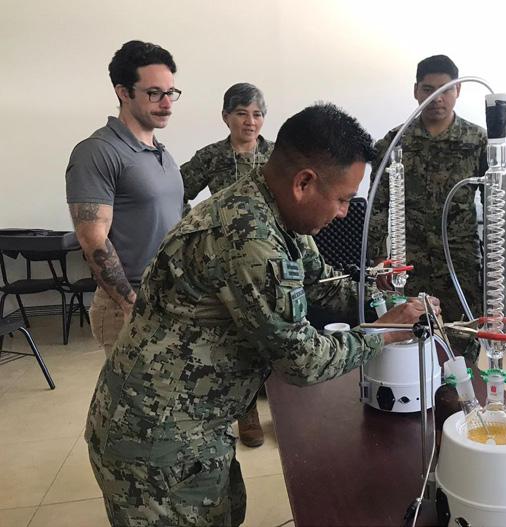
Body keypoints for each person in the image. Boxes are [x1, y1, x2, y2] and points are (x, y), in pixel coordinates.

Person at [85, 103, 439, 527]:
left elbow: (320, 282)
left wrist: (384, 297)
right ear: (304, 182)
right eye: (343, 199)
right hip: (156, 439)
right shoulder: (249, 237)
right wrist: (384, 331)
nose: (345, 212)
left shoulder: (274, 208)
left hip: (196, 425)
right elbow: (302, 360)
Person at [65, 40, 184, 358]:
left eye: (170, 92)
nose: (167, 103)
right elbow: (93, 238)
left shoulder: (162, 153)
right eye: (154, 93)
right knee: (134, 392)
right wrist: (131, 304)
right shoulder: (98, 151)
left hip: (170, 299)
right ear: (123, 92)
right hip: (129, 304)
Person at [368, 54, 487, 359]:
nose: (437, 98)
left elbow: (494, 205)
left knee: (461, 340)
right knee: (412, 340)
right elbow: (377, 205)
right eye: (428, 89)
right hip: (410, 263)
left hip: (459, 263)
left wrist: (494, 267)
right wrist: (379, 259)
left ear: (458, 90)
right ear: (416, 91)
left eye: (445, 90)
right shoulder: (395, 142)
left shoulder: (477, 141)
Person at [180, 83, 274, 448]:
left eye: (257, 114)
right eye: (241, 113)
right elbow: (175, 191)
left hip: (269, 259)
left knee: (272, 332)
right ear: (226, 117)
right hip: (225, 264)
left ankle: (280, 408)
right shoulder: (211, 157)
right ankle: (246, 414)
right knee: (234, 337)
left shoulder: (276, 155)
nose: (250, 122)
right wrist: (196, 230)